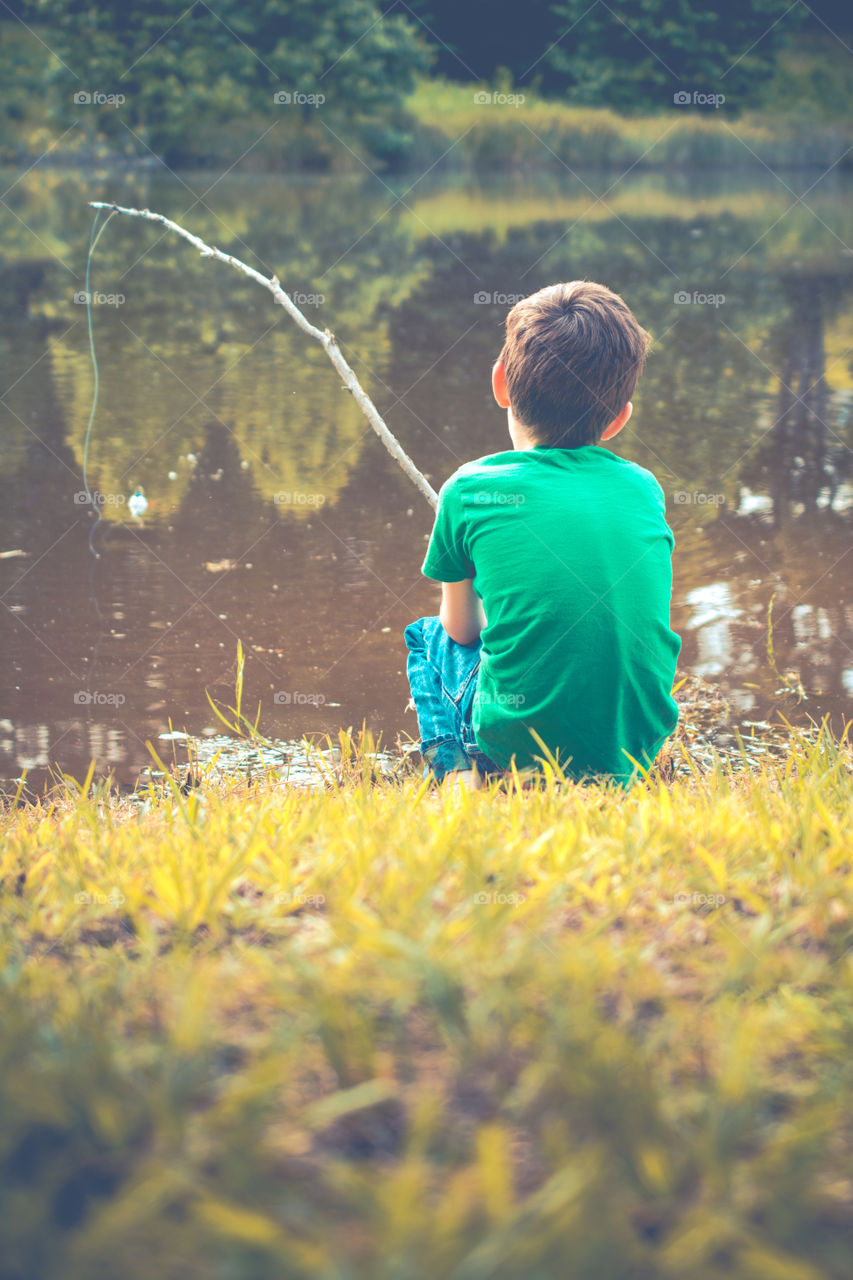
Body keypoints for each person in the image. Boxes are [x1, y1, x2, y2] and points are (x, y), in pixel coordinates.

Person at [404, 280, 682, 790]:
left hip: (517, 745)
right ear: (620, 418)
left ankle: (459, 772)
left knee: (426, 638)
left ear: (500, 383)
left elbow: (462, 631)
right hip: (634, 745)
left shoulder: (468, 489)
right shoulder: (645, 489)